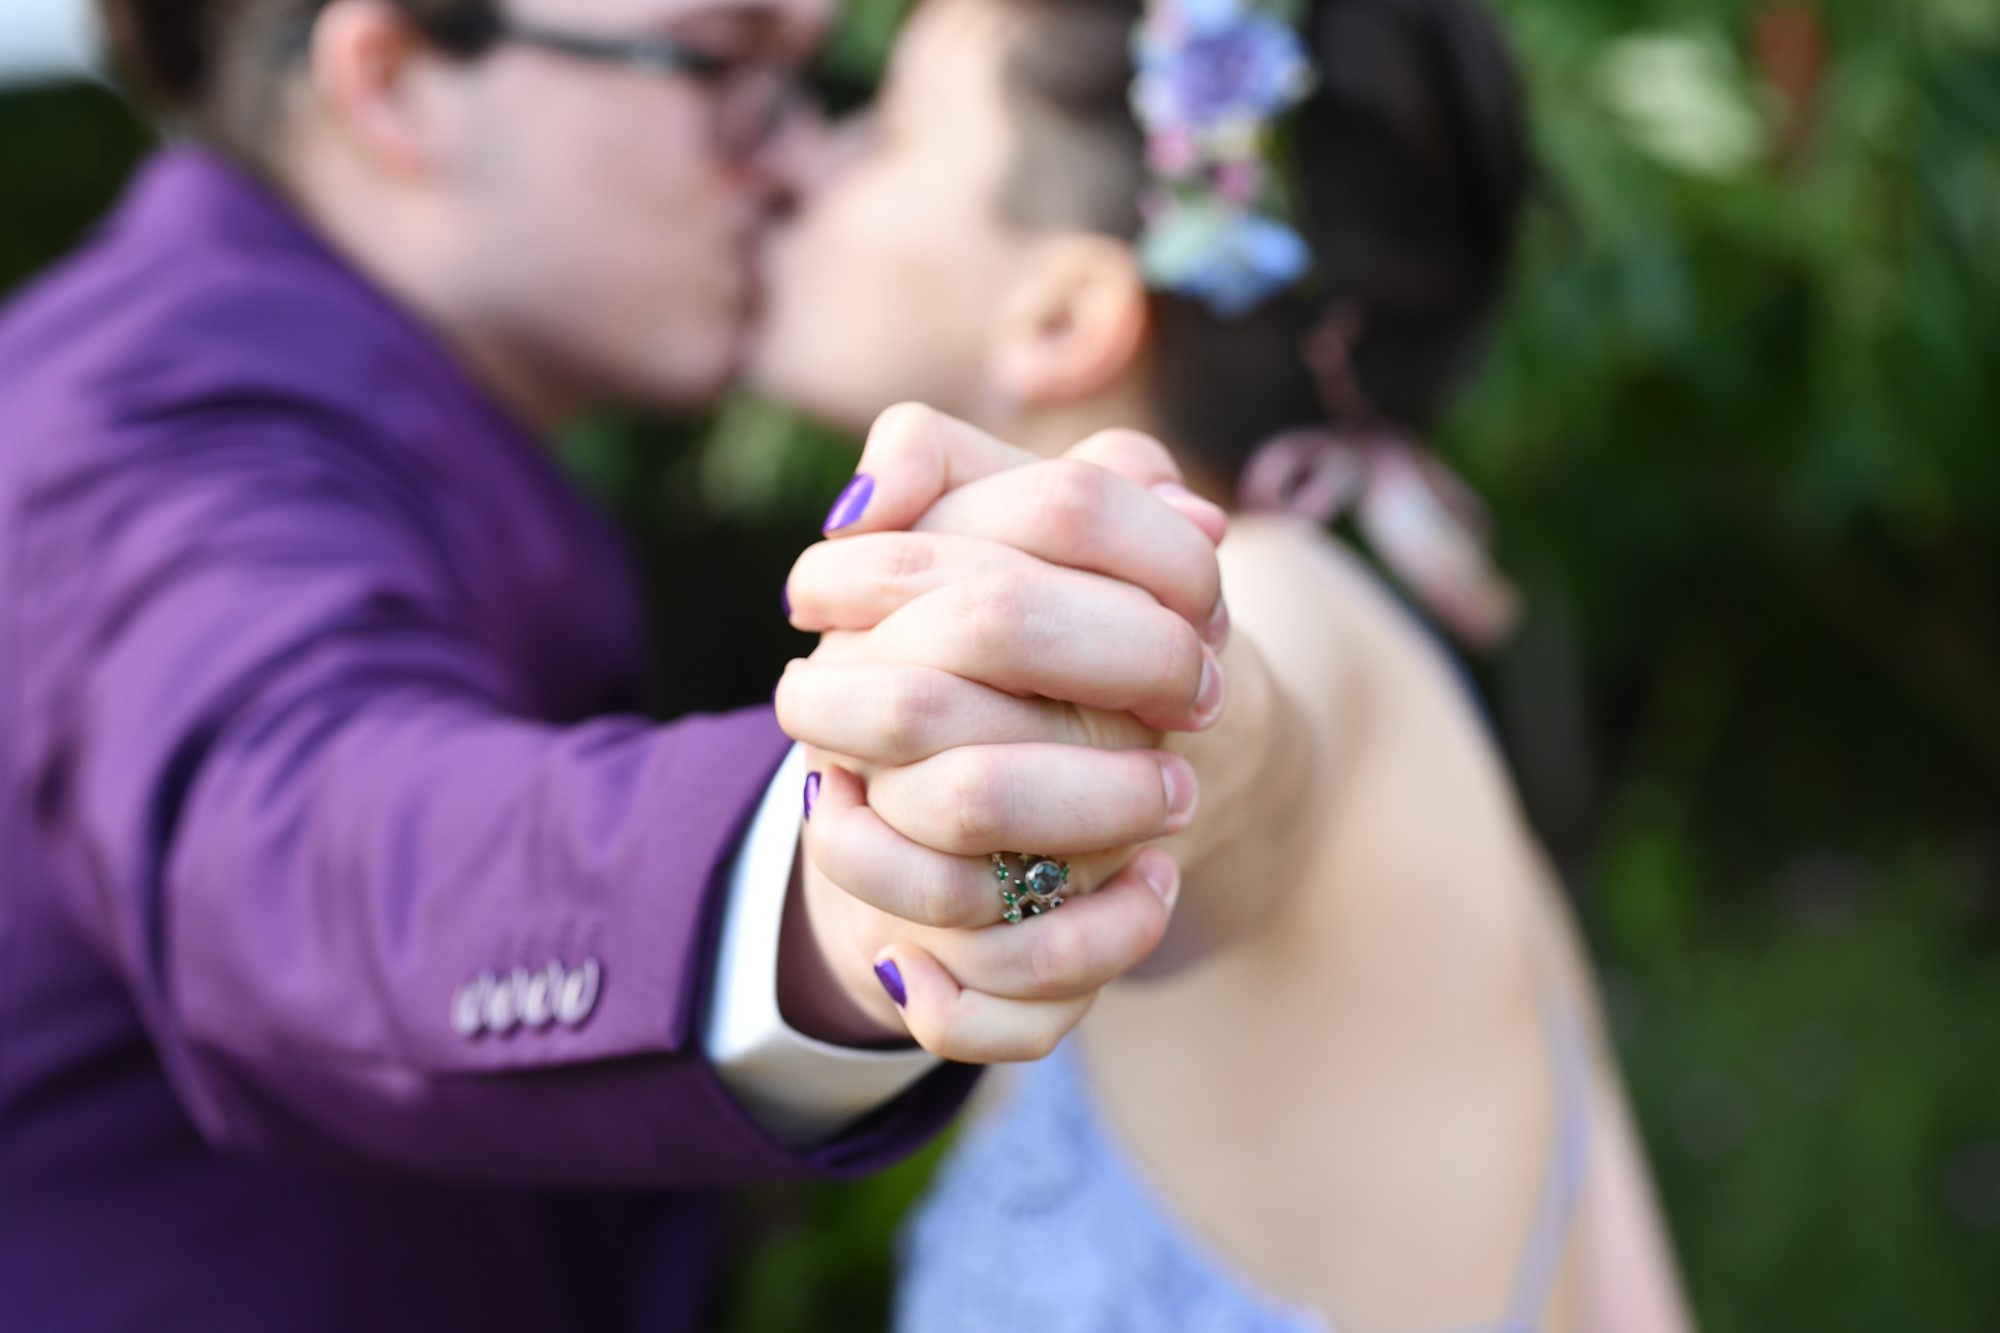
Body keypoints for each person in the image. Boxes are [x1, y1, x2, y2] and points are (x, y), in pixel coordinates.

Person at [0, 0, 1248, 1328]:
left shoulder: (405, 420)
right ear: (396, 84)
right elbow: (310, 845)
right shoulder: (149, 414)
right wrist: (841, 874)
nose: (787, 160)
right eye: (720, 68)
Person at [756, 0, 1698, 1328]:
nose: (803, 159)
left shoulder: (1281, 598)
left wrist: (1086, 792)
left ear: (1067, 310)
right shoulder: (1421, 695)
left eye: (888, 127)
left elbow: (1247, 742)